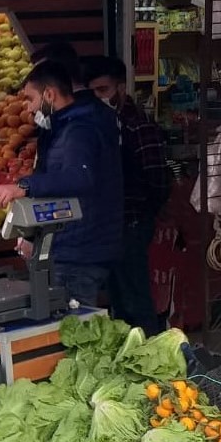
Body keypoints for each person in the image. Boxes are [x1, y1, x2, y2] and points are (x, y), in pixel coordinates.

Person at [0, 62, 124, 308]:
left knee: (76, 328)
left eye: (31, 99)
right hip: (76, 246)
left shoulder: (78, 130)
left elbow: (79, 177)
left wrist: (24, 186)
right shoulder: (63, 127)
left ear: (49, 94)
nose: (28, 108)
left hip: (79, 251)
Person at [83, 55, 171, 333]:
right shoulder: (100, 125)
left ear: (121, 88)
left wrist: (146, 213)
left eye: (104, 90)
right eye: (93, 92)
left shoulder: (137, 125)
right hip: (110, 225)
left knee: (135, 296)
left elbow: (157, 176)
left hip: (133, 222)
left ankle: (151, 354)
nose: (99, 97)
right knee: (118, 298)